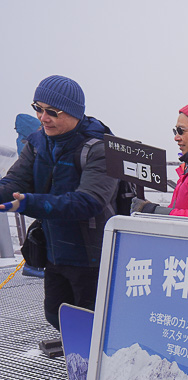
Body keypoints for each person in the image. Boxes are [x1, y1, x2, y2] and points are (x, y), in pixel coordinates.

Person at [0, 75, 118, 330]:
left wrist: (28, 203)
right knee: (55, 315)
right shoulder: (37, 142)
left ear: (75, 113)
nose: (43, 117)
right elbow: (14, 183)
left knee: (96, 323)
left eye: (52, 111)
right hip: (55, 251)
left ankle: (98, 366)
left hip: (93, 256)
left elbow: (88, 201)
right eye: (38, 108)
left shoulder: (101, 148)